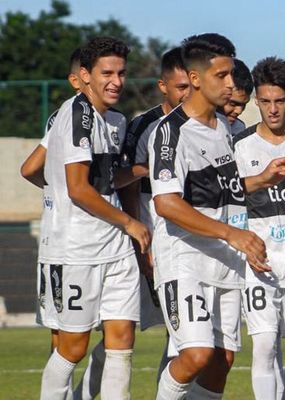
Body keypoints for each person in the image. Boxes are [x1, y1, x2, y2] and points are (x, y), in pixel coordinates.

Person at [149, 33, 285, 400]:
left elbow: (222, 189)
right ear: (196, 79)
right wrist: (233, 234)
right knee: (195, 354)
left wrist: (262, 179)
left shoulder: (226, 130)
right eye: (222, 76)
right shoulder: (170, 132)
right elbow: (167, 204)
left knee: (221, 361)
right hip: (186, 259)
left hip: (225, 263)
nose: (231, 84)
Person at [70, 46, 191, 399]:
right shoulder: (140, 126)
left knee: (181, 332)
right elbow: (121, 182)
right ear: (163, 86)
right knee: (118, 335)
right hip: (147, 237)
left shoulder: (205, 125)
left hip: (186, 242)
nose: (187, 94)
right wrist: (140, 239)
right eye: (180, 86)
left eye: (191, 86)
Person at [39, 36, 150, 400]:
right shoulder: (76, 114)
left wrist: (139, 171)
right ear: (84, 75)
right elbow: (78, 189)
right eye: (107, 73)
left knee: (122, 341)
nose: (116, 80)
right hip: (77, 249)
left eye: (121, 72)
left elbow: (100, 181)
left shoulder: (113, 120)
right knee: (72, 347)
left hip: (114, 249)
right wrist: (130, 223)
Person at [233, 56, 285, 400]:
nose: (273, 109)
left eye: (280, 101)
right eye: (265, 101)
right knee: (264, 347)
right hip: (260, 265)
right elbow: (230, 201)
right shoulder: (240, 146)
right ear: (256, 101)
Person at [21, 48, 82, 355]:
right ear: (78, 79)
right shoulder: (67, 117)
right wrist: (60, 189)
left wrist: (53, 188)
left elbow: (30, 169)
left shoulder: (66, 115)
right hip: (66, 239)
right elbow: (29, 169)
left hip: (71, 238)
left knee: (67, 334)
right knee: (66, 336)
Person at [220, 58, 253, 136]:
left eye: (243, 105)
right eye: (232, 103)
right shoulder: (190, 126)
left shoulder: (239, 129)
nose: (239, 111)